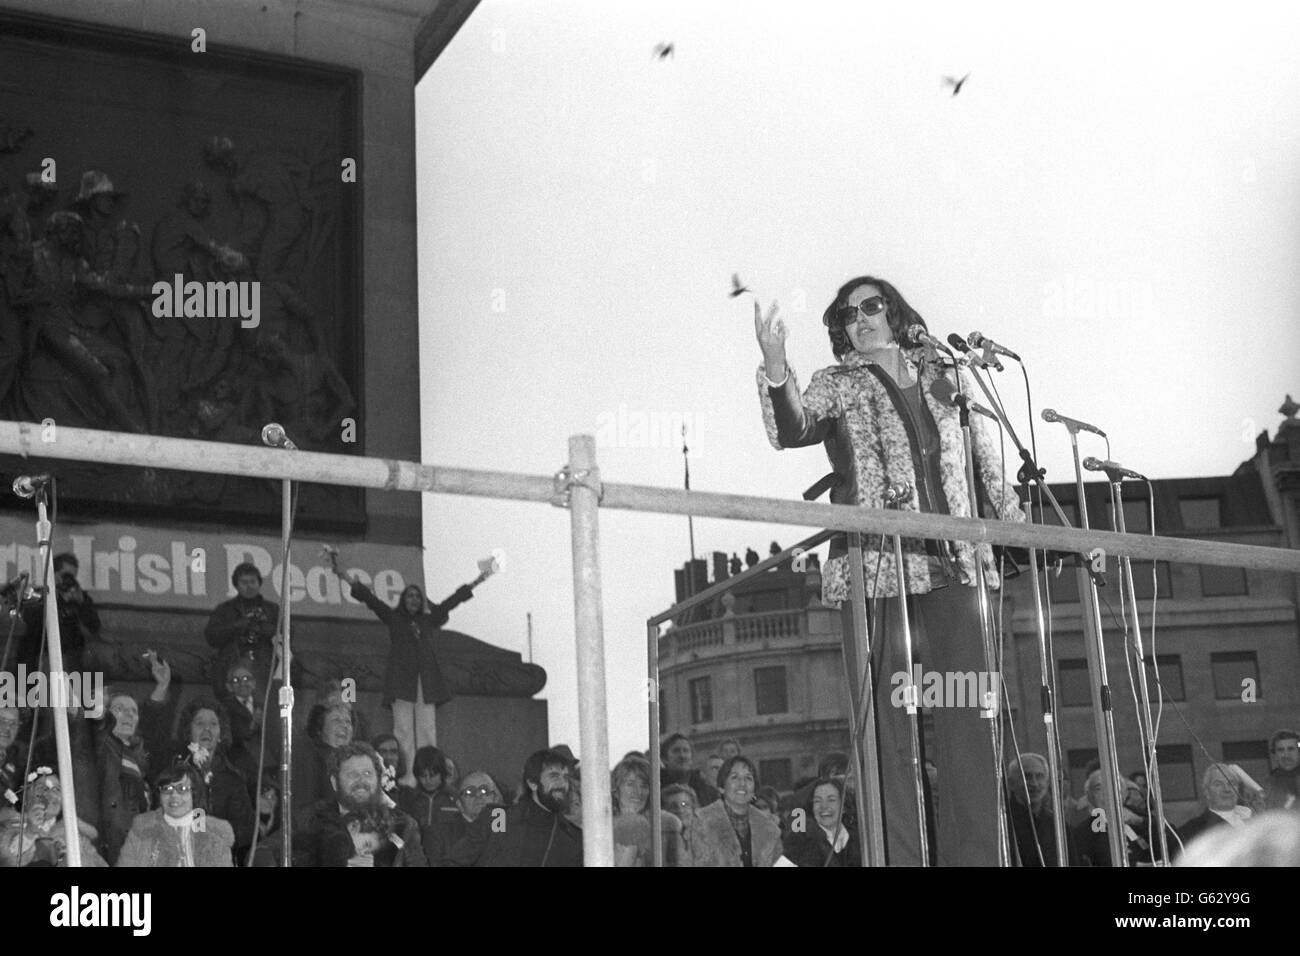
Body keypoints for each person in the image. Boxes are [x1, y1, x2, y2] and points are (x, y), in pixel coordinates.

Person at [754, 277, 1027, 866]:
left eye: (871, 306)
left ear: (896, 312)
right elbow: (792, 428)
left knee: (969, 722)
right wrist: (777, 368)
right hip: (877, 568)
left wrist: (1024, 531)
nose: (861, 319)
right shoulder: (840, 383)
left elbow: (985, 465)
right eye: (847, 315)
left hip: (955, 568)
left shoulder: (946, 377)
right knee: (889, 734)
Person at [331, 564, 475, 787]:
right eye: (410, 596)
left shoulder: (429, 620)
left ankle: (430, 774)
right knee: (403, 730)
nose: (414, 600)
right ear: (403, 600)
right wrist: (343, 575)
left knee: (427, 729)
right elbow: (371, 599)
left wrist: (477, 581)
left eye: (418, 596)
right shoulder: (394, 618)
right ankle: (407, 778)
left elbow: (451, 602)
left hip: (425, 681)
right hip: (401, 680)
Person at [156, 685, 255, 864]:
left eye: (213, 724)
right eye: (200, 723)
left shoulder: (233, 779)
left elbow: (245, 832)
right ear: (189, 730)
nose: (207, 729)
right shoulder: (174, 773)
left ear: (220, 733)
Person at [442, 748, 582, 867]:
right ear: (532, 783)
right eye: (554, 776)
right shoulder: (499, 818)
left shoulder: (572, 835)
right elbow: (453, 862)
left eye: (565, 777)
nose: (563, 784)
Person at [294, 742, 426, 867]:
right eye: (352, 775)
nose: (361, 781)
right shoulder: (309, 822)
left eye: (367, 773)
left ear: (378, 780)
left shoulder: (403, 826)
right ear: (335, 782)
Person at [116, 763, 235, 867]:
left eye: (182, 789)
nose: (174, 795)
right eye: (167, 788)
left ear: (194, 793)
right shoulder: (143, 830)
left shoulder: (215, 834)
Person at [0, 767, 107, 867]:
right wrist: (30, 832)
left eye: (57, 790)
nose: (51, 795)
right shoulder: (10, 823)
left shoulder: (70, 831)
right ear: (24, 796)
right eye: (42, 788)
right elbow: (7, 860)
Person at [18, 552, 104, 674]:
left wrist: (82, 603)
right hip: (39, 663)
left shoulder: (78, 597)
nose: (69, 580)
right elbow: (32, 621)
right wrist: (59, 599)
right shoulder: (39, 596)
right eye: (66, 575)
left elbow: (95, 626)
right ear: (53, 574)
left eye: (72, 577)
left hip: (71, 663)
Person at [689, 756, 782, 867]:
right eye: (734, 777)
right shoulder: (701, 822)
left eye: (748, 778)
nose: (742, 783)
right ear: (721, 787)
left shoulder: (769, 828)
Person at [204, 562, 280, 697]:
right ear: (236, 585)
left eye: (253, 581)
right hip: (232, 663)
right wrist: (236, 626)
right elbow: (211, 637)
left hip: (264, 665)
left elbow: (287, 635)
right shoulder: (224, 609)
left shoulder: (273, 610)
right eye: (244, 582)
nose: (249, 586)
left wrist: (262, 627)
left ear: (259, 583)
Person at [611, 754, 687, 866]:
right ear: (616, 790)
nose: (638, 791)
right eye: (630, 784)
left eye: (644, 786)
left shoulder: (664, 825)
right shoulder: (603, 826)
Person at [421, 771, 503, 866]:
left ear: (495, 798)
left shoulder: (508, 830)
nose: (478, 796)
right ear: (459, 804)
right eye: (470, 792)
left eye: (484, 791)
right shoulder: (437, 834)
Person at [1177, 763, 1263, 850]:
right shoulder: (1191, 831)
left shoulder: (1254, 819)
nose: (1227, 789)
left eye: (1231, 783)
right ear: (1207, 792)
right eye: (1218, 784)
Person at [291, 703, 355, 818]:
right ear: (320, 729)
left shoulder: (357, 760)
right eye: (336, 720)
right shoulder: (310, 759)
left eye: (348, 722)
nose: (344, 725)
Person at [1005, 753, 1068, 867]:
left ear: (1047, 782)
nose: (1034, 783)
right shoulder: (1004, 822)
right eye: (1027, 777)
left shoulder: (1057, 825)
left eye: (1039, 776)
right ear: (1011, 783)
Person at [783, 777, 860, 867]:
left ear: (844, 806)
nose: (824, 806)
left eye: (831, 800)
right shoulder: (800, 843)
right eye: (817, 801)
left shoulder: (860, 839)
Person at [660, 733, 721, 807]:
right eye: (676, 751)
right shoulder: (654, 789)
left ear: (692, 758)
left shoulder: (707, 792)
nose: (682, 756)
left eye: (686, 751)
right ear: (664, 758)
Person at [1264, 729, 1299, 811]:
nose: (1286, 755)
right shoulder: (1268, 785)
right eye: (1281, 750)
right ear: (1275, 755)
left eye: (1291, 749)